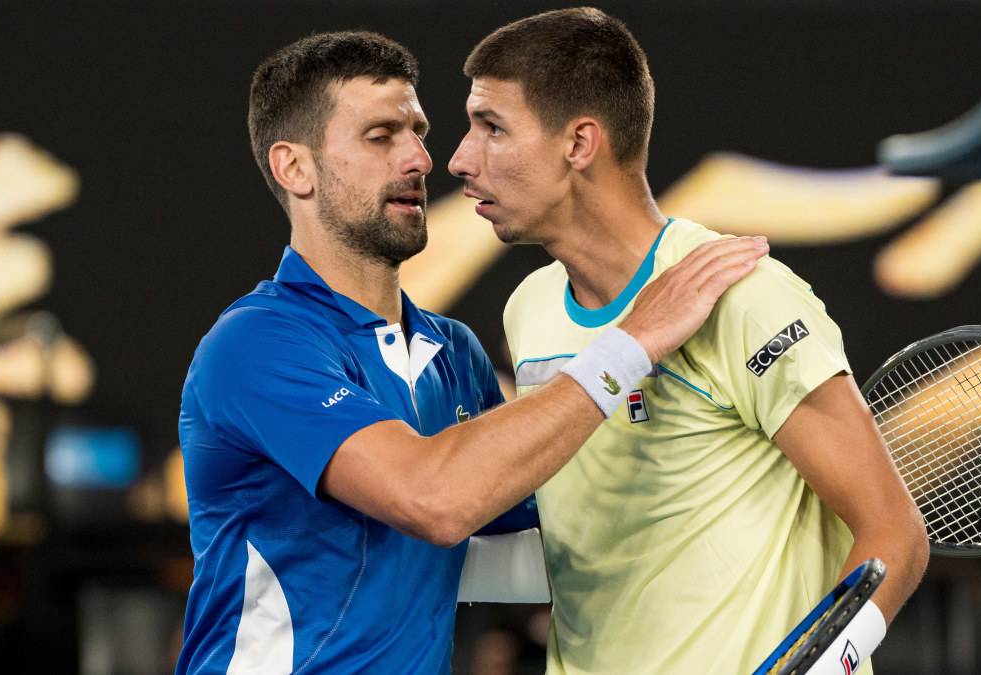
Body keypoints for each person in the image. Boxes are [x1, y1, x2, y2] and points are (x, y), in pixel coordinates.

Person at [175, 30, 767, 675]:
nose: (422, 159)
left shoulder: (453, 352)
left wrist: (740, 511)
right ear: (296, 168)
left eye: (417, 131)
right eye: (381, 137)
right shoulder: (255, 344)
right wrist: (633, 342)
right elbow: (435, 499)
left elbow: (528, 544)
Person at [448, 8, 931, 675]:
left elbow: (894, 533)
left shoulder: (746, 295)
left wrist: (825, 663)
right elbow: (591, 544)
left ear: (579, 143)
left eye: (491, 128)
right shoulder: (526, 309)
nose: (459, 159)